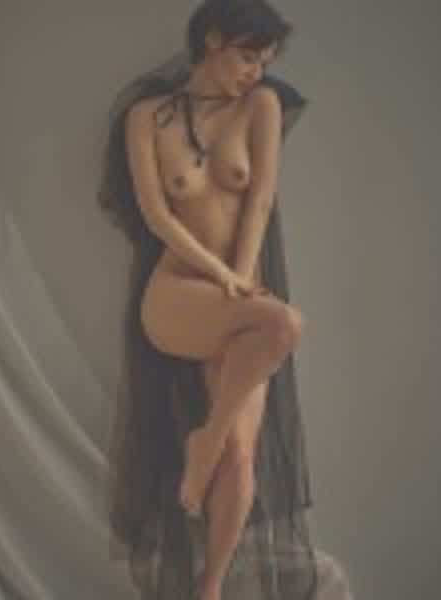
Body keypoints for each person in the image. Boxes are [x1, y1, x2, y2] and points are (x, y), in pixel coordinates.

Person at [98, 1, 319, 599]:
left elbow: (261, 200)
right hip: (178, 294)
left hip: (239, 295)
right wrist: (223, 277)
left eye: (264, 62)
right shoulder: (146, 117)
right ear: (214, 40)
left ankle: (210, 587)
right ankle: (207, 443)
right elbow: (157, 217)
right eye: (248, 57)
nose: (256, 72)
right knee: (284, 323)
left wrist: (241, 280)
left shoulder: (261, 106)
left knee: (241, 449)